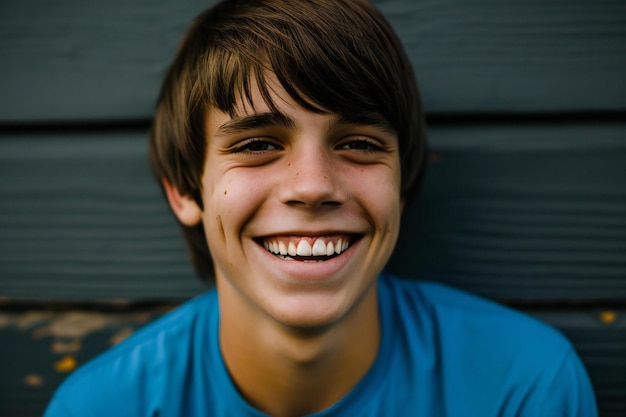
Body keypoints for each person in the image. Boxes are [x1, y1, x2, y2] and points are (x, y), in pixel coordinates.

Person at [44, 0, 598, 416]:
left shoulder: (525, 386)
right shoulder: (99, 408)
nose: (312, 186)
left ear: (401, 187)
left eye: (358, 143)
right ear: (184, 191)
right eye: (257, 144)